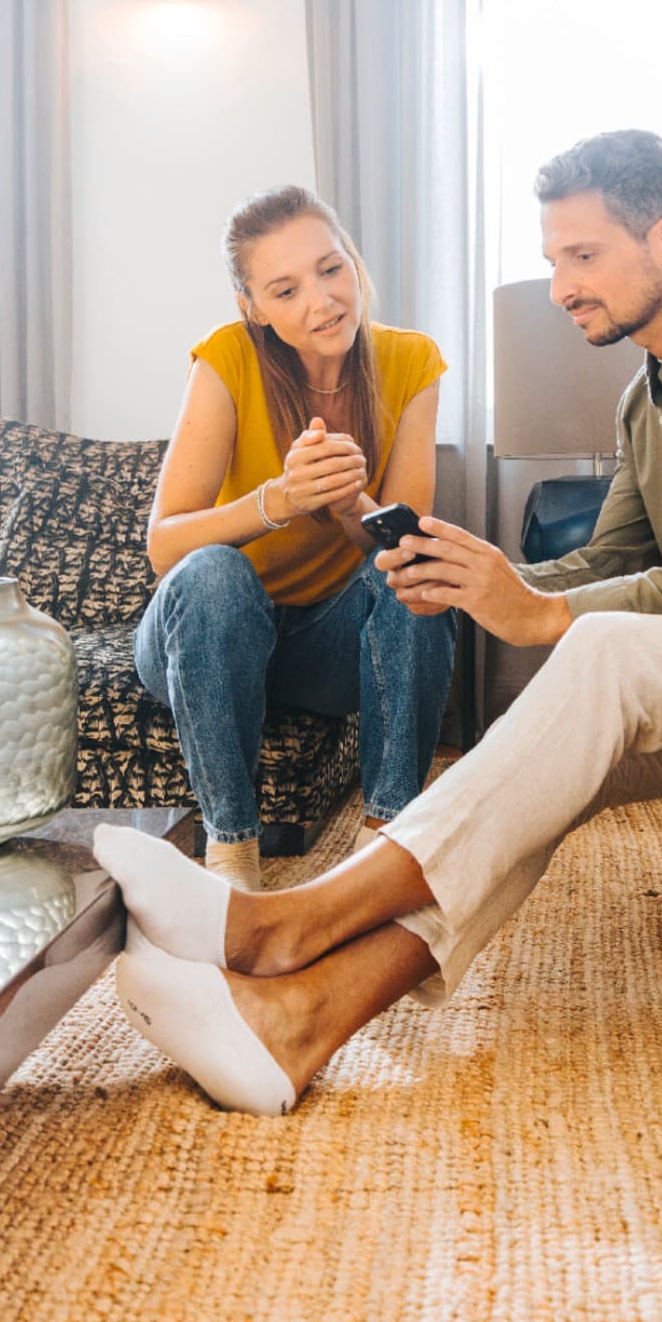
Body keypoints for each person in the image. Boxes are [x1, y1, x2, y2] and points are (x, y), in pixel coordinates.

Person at [100, 129, 662, 1114]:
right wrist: (481, 579)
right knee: (546, 768)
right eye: (551, 262)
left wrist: (545, 611)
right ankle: (301, 1022)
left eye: (583, 257)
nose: (560, 285)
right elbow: (602, 560)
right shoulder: (646, 397)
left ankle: (279, 931)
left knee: (605, 650)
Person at [135, 183, 456, 892]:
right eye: (285, 289)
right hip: (203, 639)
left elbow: (398, 550)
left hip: (320, 650)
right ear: (252, 307)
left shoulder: (412, 363)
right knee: (214, 571)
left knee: (413, 576)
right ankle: (232, 854)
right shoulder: (227, 357)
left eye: (331, 269)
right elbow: (165, 549)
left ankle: (387, 849)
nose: (321, 302)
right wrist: (278, 500)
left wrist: (347, 504)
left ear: (354, 262)